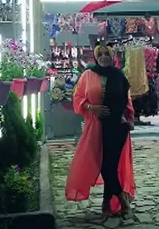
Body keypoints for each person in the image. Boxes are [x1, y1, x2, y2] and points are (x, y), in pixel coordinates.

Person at [65, 44, 135, 218]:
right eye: (100, 54)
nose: (104, 57)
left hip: (117, 126)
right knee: (103, 165)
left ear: (112, 56)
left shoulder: (119, 75)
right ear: (96, 57)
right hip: (96, 126)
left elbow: (126, 100)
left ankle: (108, 204)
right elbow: (78, 98)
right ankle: (120, 201)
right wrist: (92, 107)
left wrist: (130, 119)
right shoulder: (88, 75)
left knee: (110, 165)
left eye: (107, 54)